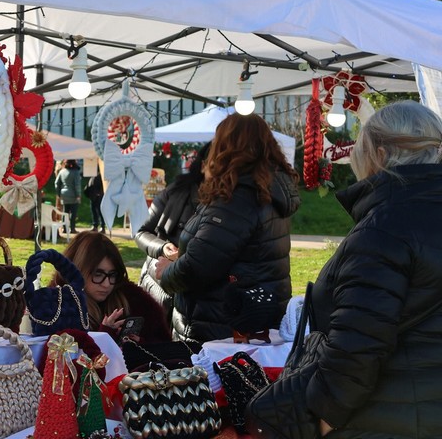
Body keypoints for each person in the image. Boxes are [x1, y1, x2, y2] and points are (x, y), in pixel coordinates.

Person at [304, 100, 442, 438]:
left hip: (387, 419)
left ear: (379, 155)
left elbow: (357, 345)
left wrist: (324, 419)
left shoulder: (384, 228)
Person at [155, 113, 300, 342]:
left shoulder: (239, 197)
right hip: (245, 322)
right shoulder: (263, 191)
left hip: (221, 329)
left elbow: (200, 265)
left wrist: (166, 272)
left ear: (226, 148)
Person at [135, 142, 210, 336]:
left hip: (193, 302)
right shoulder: (177, 189)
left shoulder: (230, 203)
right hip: (158, 286)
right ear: (203, 165)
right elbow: (141, 232)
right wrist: (163, 247)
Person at [51, 231, 170, 344]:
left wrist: (140, 346)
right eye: (98, 274)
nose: (107, 284)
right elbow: (59, 355)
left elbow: (163, 347)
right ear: (78, 271)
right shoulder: (55, 307)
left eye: (112, 275)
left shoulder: (135, 301)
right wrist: (104, 337)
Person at [55, 159, 82, 234]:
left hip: (64, 194)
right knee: (73, 213)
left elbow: (56, 183)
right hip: (73, 195)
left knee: (65, 212)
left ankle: (64, 229)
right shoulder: (76, 172)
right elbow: (77, 185)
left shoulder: (62, 171)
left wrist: (58, 194)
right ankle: (72, 228)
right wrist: (78, 195)